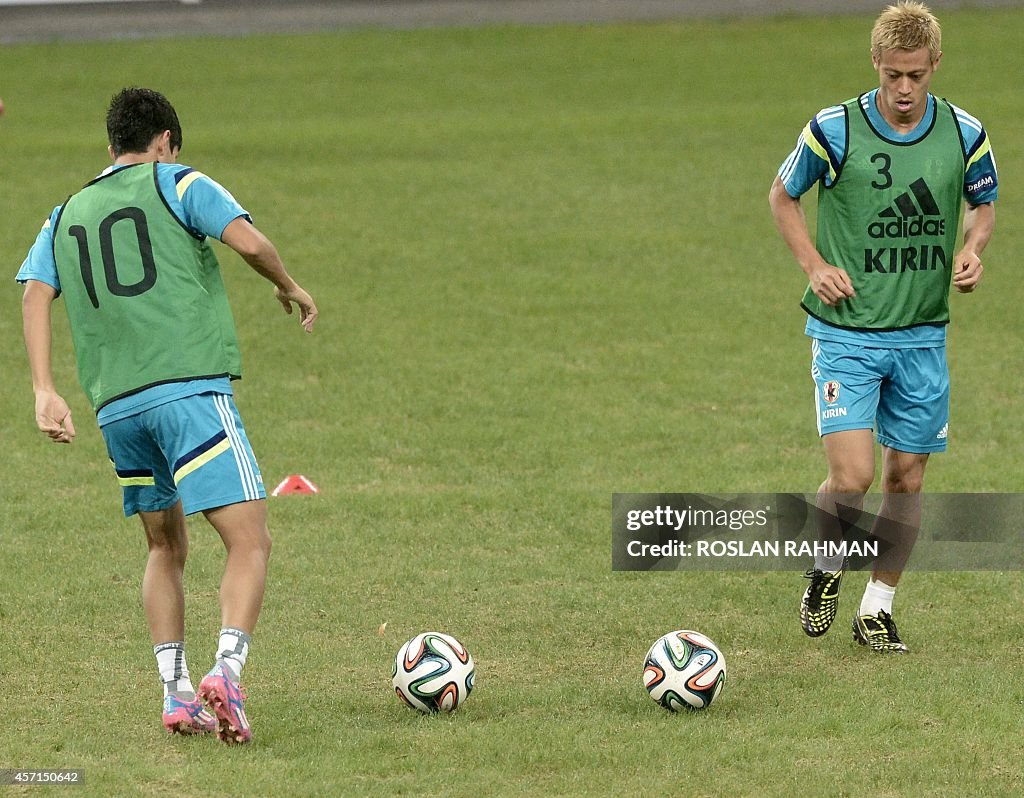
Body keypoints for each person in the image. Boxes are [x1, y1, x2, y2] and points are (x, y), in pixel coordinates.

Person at [18, 87, 319, 741]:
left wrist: (45, 387)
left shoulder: (63, 213)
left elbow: (36, 293)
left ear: (109, 147)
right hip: (189, 393)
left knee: (163, 545)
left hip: (117, 408)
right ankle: (228, 676)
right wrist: (286, 284)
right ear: (165, 142)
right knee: (249, 540)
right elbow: (248, 240)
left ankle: (176, 694)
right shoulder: (179, 182)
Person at [769, 2, 997, 653]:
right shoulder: (835, 129)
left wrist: (974, 248)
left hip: (923, 336)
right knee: (852, 478)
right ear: (876, 63)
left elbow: (984, 202)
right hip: (847, 334)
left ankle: (877, 609)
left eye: (916, 76)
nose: (904, 89)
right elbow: (783, 195)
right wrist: (813, 265)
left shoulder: (963, 132)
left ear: (935, 67)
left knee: (908, 479)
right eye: (894, 74)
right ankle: (825, 565)